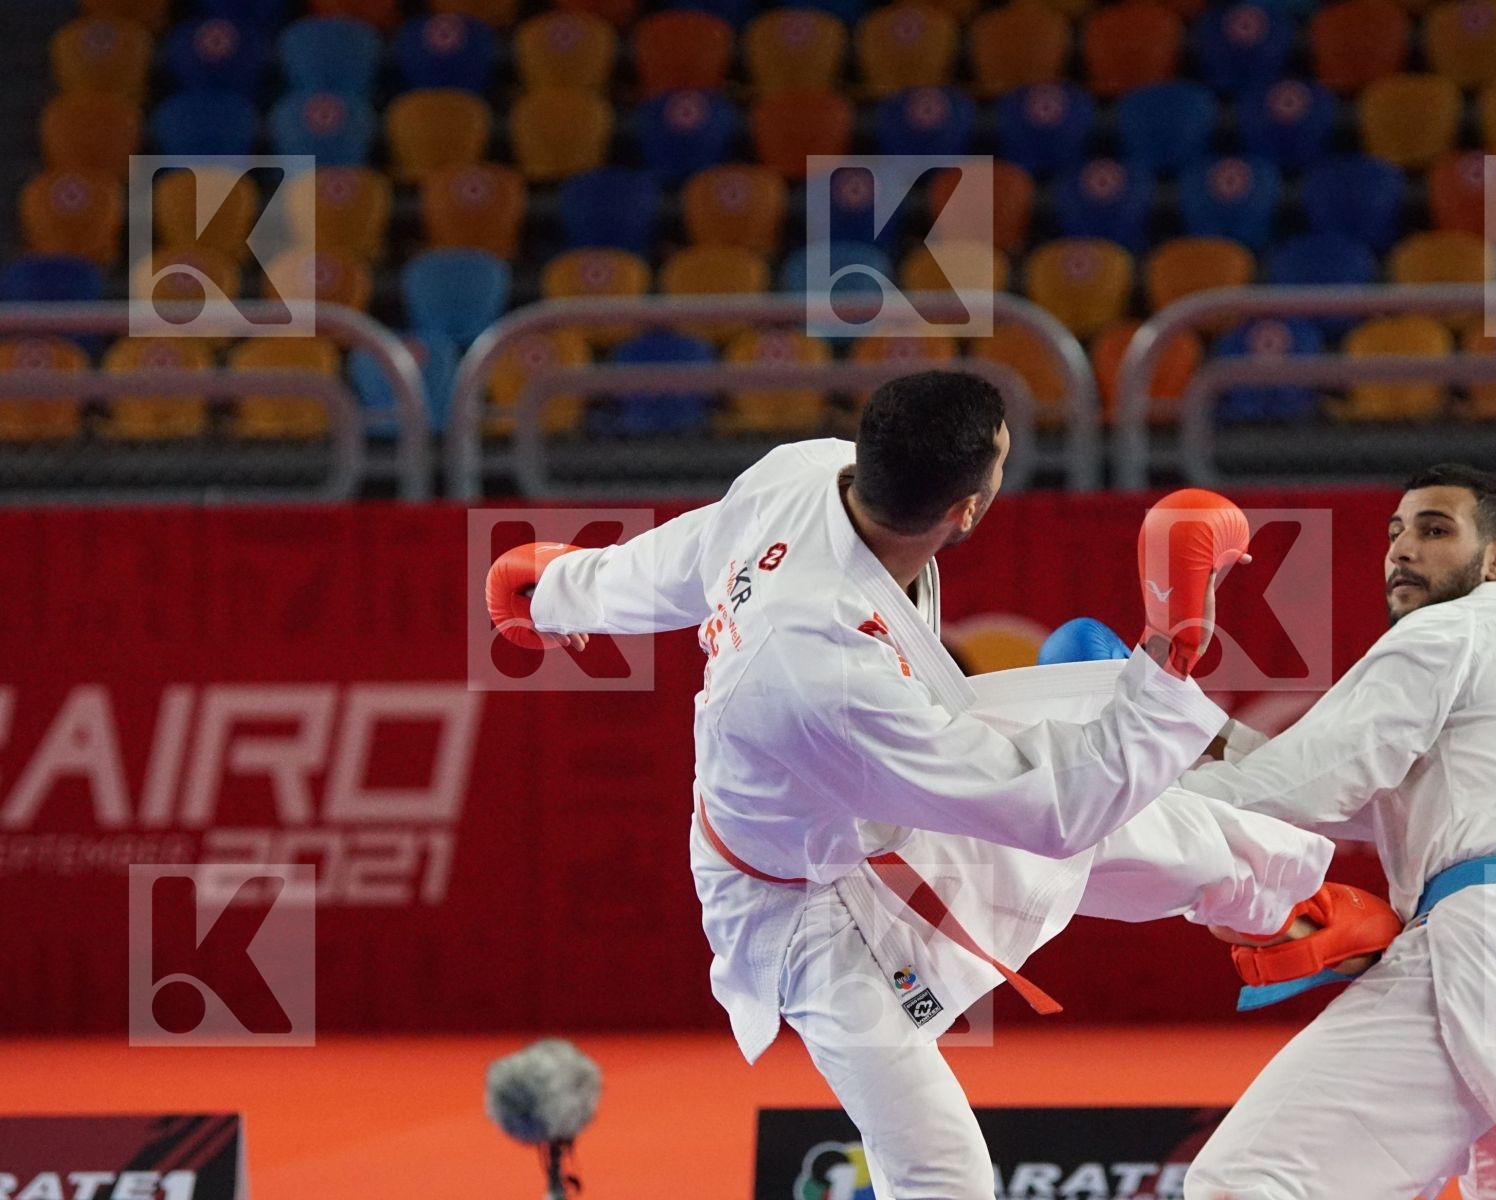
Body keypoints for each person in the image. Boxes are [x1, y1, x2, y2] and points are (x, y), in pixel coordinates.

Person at [486, 370, 1333, 1199]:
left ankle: (1295, 916)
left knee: (1150, 820)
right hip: (796, 912)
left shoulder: (804, 473)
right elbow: (1054, 813)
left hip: (871, 801)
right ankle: (1272, 896)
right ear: (967, 511)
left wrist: (557, 592)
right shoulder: (827, 668)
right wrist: (1170, 654)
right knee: (939, 1168)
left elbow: (683, 555)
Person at [1183, 463, 1496, 1200]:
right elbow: (1358, 785)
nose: (1403, 550)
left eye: (1435, 531)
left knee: (1246, 1182)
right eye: (1396, 533)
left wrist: (1134, 804)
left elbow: (1307, 781)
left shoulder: (1450, 631)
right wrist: (1192, 735)